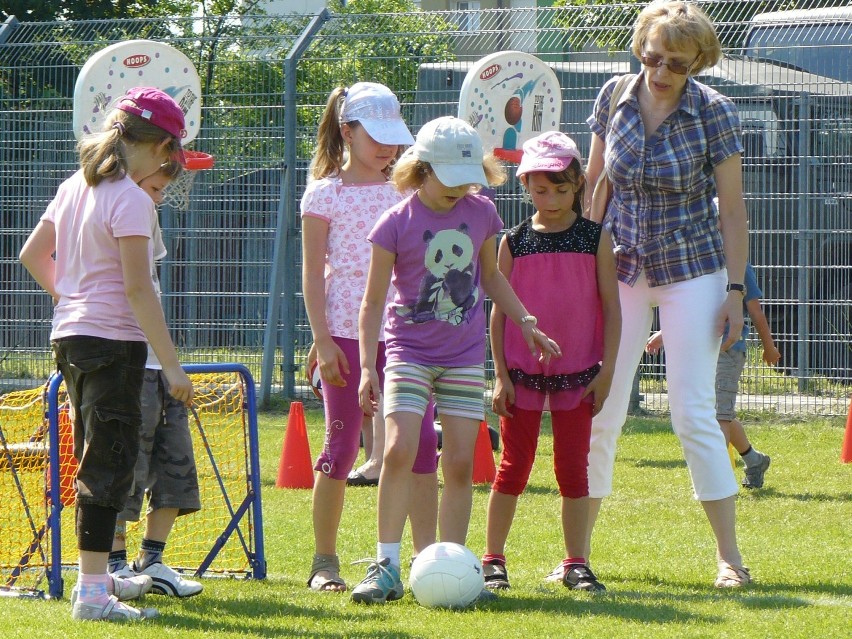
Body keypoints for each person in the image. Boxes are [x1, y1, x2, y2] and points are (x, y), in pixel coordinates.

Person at [353, 116, 561, 604]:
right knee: (401, 448)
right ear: (420, 170)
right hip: (409, 352)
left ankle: (452, 566)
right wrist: (367, 366)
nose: (460, 188)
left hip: (464, 357)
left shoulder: (483, 213)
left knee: (463, 462)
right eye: (449, 177)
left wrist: (525, 320)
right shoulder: (394, 224)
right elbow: (372, 302)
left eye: (468, 176)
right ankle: (385, 566)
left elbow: (490, 276)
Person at [583, 0, 752, 588]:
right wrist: (581, 263)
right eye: (653, 57)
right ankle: (577, 557)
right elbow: (594, 189)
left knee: (692, 413)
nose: (659, 73)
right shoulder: (612, 96)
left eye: (675, 64)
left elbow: (731, 210)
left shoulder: (716, 113)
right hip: (621, 266)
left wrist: (735, 291)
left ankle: (729, 558)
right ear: (640, 49)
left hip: (694, 267)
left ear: (698, 63)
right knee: (601, 409)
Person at [19, 86, 194, 621]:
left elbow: (31, 254)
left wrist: (70, 300)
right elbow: (139, 291)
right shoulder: (132, 199)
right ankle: (93, 595)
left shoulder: (75, 185)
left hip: (69, 338)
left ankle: (96, 585)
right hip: (113, 344)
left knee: (99, 458)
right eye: (171, 153)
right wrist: (171, 365)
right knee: (107, 467)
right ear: (162, 146)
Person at [301, 82, 440, 593]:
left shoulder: (409, 190)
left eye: (393, 136)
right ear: (346, 131)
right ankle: (324, 563)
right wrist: (324, 339)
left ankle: (430, 562)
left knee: (423, 444)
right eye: (374, 135)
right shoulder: (323, 194)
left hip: (407, 341)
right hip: (343, 336)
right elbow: (313, 276)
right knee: (339, 446)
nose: (387, 147)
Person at [482, 132, 620, 593]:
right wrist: (501, 376)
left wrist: (607, 372)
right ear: (525, 186)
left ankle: (576, 562)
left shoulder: (595, 239)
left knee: (572, 468)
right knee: (513, 467)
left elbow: (611, 308)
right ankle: (493, 560)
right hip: (521, 376)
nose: (552, 198)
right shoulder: (513, 241)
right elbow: (498, 316)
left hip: (579, 376)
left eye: (562, 189)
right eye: (542, 189)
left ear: (579, 183)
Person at [105, 161, 204, 598]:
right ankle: (113, 564)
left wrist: (169, 363)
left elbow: (151, 289)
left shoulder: (149, 219)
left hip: (160, 367)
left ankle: (154, 560)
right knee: (125, 469)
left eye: (165, 190)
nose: (160, 197)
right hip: (130, 367)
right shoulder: (112, 208)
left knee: (175, 464)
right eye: (156, 187)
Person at [646, 262, 779, 489]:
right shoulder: (699, 262)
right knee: (716, 414)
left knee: (720, 418)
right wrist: (664, 333)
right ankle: (754, 460)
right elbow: (690, 308)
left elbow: (756, 310)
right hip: (701, 350)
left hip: (728, 351)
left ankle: (719, 484)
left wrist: (769, 346)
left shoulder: (738, 269)